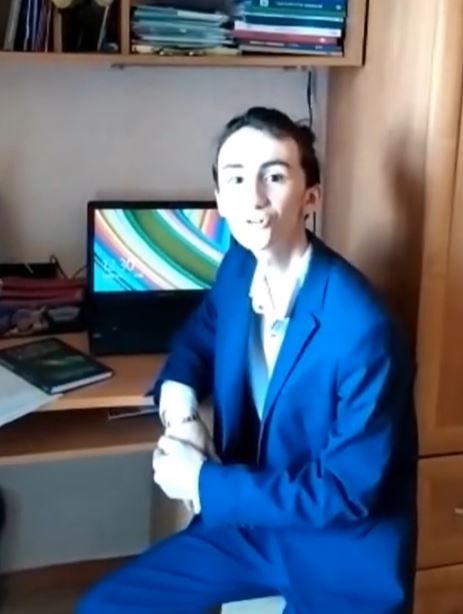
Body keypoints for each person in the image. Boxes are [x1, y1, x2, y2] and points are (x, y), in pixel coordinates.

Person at [77, 107, 417, 614]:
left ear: (311, 198)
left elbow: (344, 493)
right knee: (105, 607)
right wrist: (182, 412)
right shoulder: (239, 265)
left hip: (339, 551)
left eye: (274, 177)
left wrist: (201, 482)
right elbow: (198, 338)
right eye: (235, 178)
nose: (253, 198)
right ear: (219, 198)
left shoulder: (364, 329)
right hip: (251, 523)